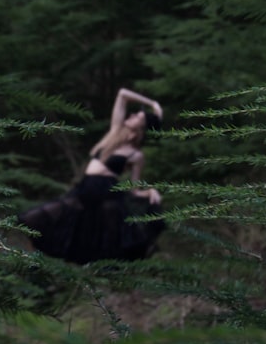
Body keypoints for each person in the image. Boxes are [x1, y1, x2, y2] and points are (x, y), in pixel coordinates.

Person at [18, 88, 165, 264]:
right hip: (85, 189)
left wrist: (150, 192)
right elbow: (122, 94)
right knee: (34, 219)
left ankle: (105, 278)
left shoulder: (136, 155)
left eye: (137, 117)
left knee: (105, 242)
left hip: (106, 194)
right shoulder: (115, 133)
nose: (132, 116)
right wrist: (152, 104)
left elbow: (134, 190)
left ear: (141, 128)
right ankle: (33, 264)